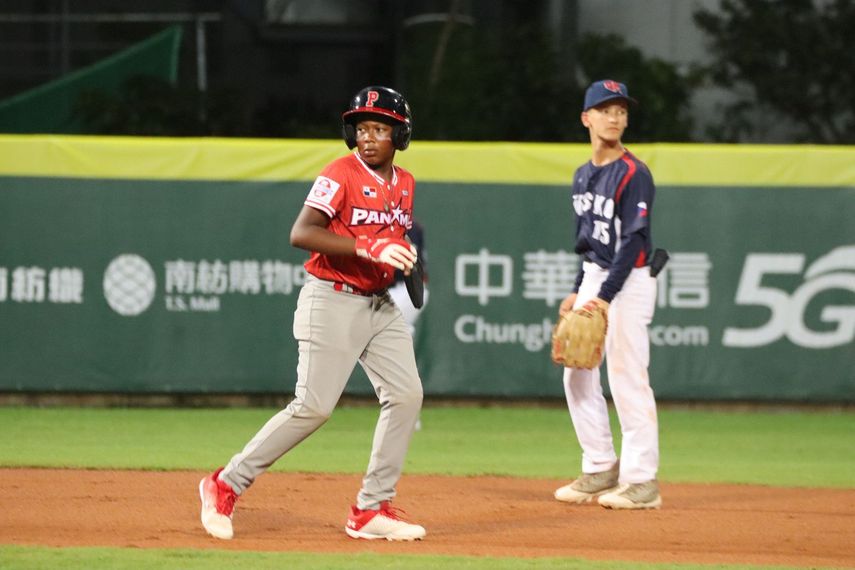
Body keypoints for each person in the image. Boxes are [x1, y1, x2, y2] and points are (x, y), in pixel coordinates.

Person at [199, 85, 427, 541]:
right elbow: (301, 232)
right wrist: (367, 245)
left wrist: (404, 260)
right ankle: (225, 483)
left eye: (380, 128)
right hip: (332, 297)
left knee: (406, 397)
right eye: (362, 128)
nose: (368, 137)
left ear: (399, 136)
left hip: (379, 304)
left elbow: (392, 242)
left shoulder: (404, 183)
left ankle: (369, 509)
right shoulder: (340, 173)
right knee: (313, 407)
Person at [553, 80, 662, 510]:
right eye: (605, 109)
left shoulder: (635, 174)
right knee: (575, 370)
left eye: (621, 110)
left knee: (627, 377)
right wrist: (580, 290)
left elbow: (633, 242)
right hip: (597, 276)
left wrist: (605, 295)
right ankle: (599, 466)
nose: (615, 117)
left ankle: (642, 481)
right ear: (587, 118)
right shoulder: (582, 175)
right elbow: (591, 241)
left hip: (630, 280)